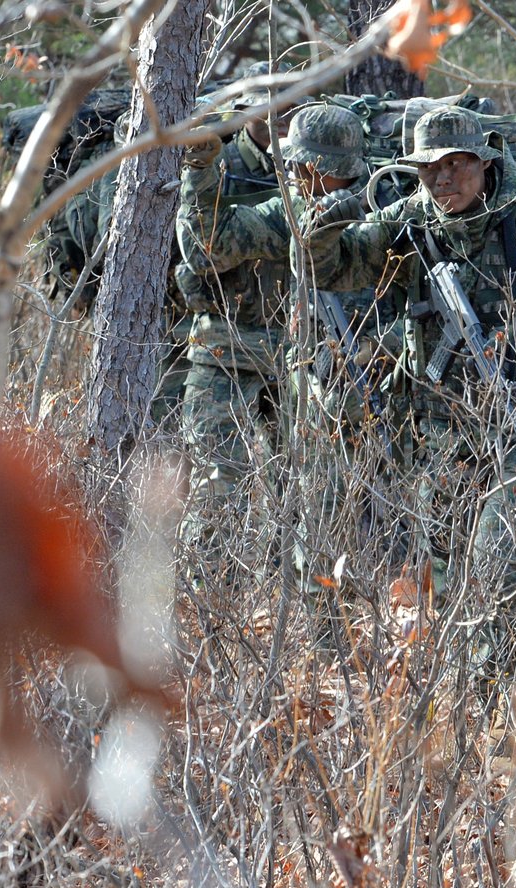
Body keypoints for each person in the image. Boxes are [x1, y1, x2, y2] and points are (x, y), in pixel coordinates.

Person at [300, 105, 516, 685]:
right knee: (451, 574)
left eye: (457, 165)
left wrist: (514, 343)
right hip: (438, 433)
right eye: (430, 168)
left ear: (484, 164)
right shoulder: (408, 220)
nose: (443, 180)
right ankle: (473, 707)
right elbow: (329, 270)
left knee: (500, 564)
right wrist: (326, 223)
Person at [174, 102, 397, 600]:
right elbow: (206, 247)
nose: (300, 177)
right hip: (228, 352)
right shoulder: (288, 208)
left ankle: (320, 622)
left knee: (317, 493)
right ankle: (206, 609)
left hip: (313, 366)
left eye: (312, 171)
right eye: (296, 169)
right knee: (218, 484)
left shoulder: (379, 211)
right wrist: (202, 169)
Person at [174, 69, 306, 581]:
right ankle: (205, 597)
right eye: (266, 108)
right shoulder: (214, 166)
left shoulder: (318, 164)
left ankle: (291, 595)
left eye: (289, 107)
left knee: (300, 483)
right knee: (217, 482)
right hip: (223, 344)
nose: (278, 118)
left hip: (298, 348)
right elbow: (189, 256)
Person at [46, 112, 192, 429]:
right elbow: (110, 245)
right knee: (150, 410)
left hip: (166, 312)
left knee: (161, 406)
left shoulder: (115, 175)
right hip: (139, 313)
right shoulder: (115, 183)